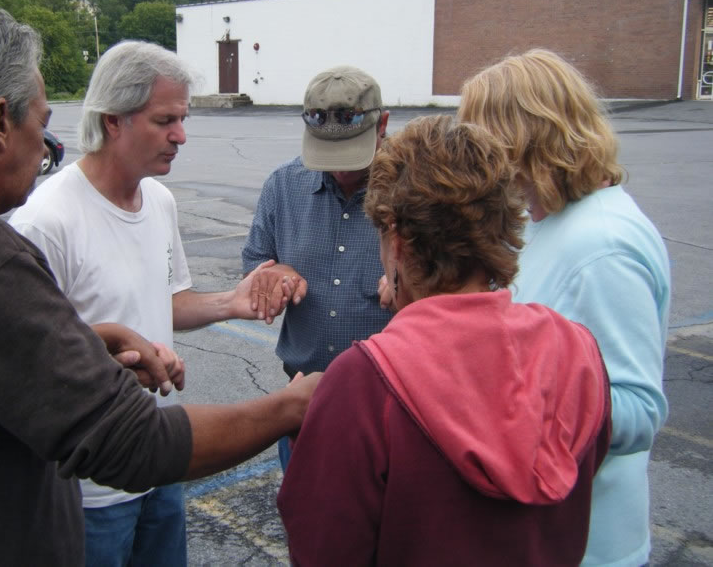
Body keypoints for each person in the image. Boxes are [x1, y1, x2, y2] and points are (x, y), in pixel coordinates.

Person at [0, 8, 320, 566]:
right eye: (41, 120)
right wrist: (290, 407)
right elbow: (131, 443)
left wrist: (88, 344)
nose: (47, 144)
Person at [277, 114, 613, 566]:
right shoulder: (577, 350)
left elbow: (323, 548)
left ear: (396, 240)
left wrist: (311, 435)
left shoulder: (364, 382)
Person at [9, 40, 287, 567]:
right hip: (90, 489)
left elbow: (169, 300)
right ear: (113, 120)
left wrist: (233, 301)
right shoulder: (45, 222)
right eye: (165, 120)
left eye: (182, 119)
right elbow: (34, 367)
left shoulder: (158, 201)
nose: (180, 136)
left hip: (158, 463)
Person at [457, 48, 671, 567]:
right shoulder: (547, 218)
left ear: (520, 139)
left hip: (590, 547)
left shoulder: (603, 245)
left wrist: (505, 399)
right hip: (545, 531)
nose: (476, 163)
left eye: (481, 144)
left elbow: (639, 412)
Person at [241, 66, 393, 468]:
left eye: (352, 155)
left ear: (384, 126)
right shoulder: (284, 185)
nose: (341, 169)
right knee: (306, 527)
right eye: (329, 154)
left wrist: (414, 286)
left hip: (391, 414)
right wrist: (274, 274)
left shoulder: (418, 188)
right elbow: (255, 264)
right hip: (302, 409)